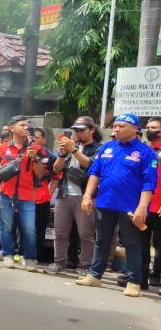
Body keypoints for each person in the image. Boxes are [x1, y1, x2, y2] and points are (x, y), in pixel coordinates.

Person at [77, 114, 158, 297]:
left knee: (132, 243)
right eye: (115, 126)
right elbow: (94, 173)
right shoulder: (107, 147)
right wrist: (88, 196)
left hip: (130, 206)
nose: (116, 129)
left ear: (135, 129)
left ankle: (133, 281)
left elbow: (149, 183)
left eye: (121, 126)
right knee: (101, 240)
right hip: (105, 202)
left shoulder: (145, 153)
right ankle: (95, 275)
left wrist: (142, 207)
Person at [0, 116, 46, 270]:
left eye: (27, 125)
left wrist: (35, 159)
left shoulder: (37, 149)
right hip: (6, 194)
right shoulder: (1, 149)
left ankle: (29, 258)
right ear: (12, 128)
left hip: (27, 195)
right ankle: (7, 254)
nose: (25, 128)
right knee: (6, 226)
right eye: (22, 125)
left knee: (29, 228)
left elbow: (41, 174)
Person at [47, 116, 102, 275]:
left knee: (85, 233)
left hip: (85, 196)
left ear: (92, 130)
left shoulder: (98, 148)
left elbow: (90, 165)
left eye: (81, 130)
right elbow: (56, 170)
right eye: (76, 130)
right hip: (64, 194)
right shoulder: (71, 147)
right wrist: (63, 154)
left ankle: (85, 265)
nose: (78, 133)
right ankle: (59, 261)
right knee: (60, 231)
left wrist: (73, 150)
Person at [32, 128, 59, 264]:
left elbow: (57, 176)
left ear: (43, 140)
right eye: (33, 137)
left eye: (37, 137)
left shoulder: (49, 156)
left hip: (42, 198)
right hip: (24, 196)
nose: (34, 140)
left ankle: (36, 256)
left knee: (39, 228)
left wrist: (50, 192)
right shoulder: (24, 152)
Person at [141, 117, 161, 291]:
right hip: (144, 205)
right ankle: (141, 278)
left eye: (153, 127)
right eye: (147, 127)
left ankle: (157, 276)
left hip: (159, 206)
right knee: (141, 243)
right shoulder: (145, 150)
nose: (149, 130)